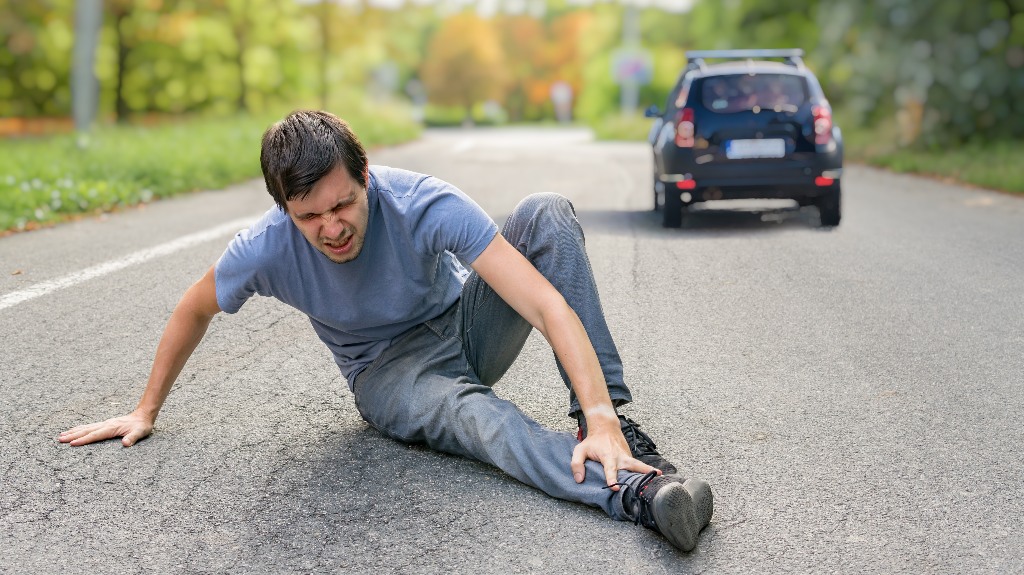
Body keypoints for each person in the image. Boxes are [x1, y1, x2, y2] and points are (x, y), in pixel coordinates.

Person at [59, 110, 713, 552]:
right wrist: (146, 408)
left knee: (545, 212)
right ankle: (640, 491)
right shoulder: (264, 248)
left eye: (343, 202)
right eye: (310, 215)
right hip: (391, 375)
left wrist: (596, 412)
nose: (332, 226)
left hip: (463, 327)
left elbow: (542, 302)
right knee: (484, 422)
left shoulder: (423, 201)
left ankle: (615, 434)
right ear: (284, 209)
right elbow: (193, 307)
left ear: (366, 175)